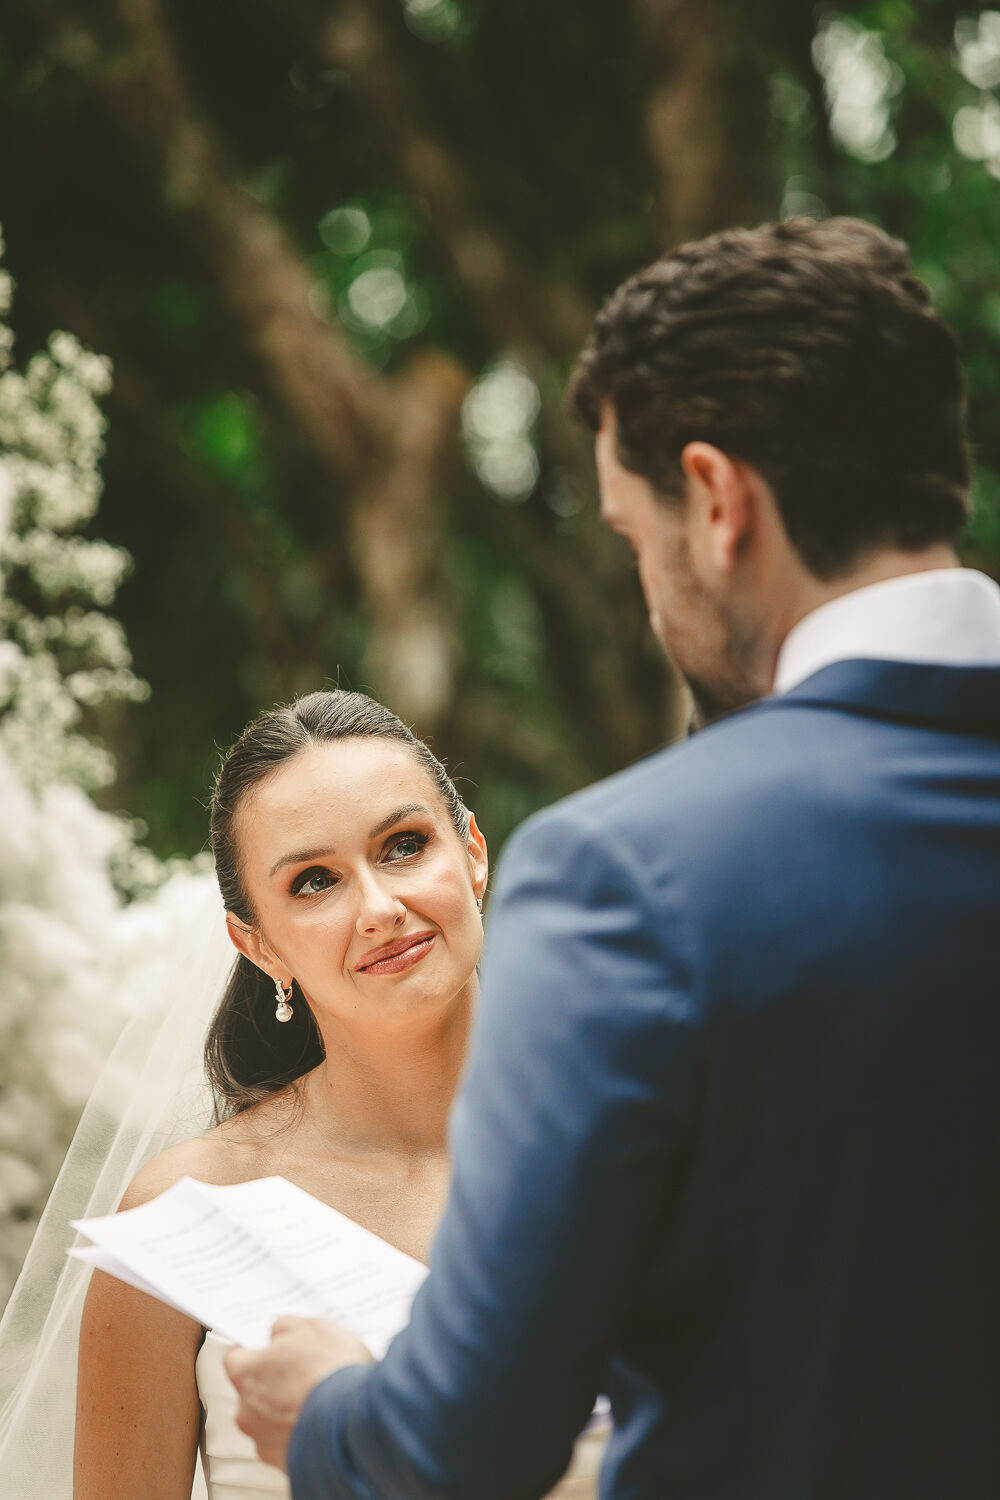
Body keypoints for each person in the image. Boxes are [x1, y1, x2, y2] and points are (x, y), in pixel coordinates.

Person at [228, 217, 1000, 1500]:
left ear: (715, 500)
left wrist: (328, 1414)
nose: (650, 596)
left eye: (636, 541)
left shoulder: (633, 871)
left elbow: (464, 1446)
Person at [60, 688, 600, 1499]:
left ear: (474, 852)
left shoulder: (644, 1137)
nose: (380, 909)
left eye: (405, 845)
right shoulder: (184, 1215)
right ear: (256, 942)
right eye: (315, 882)